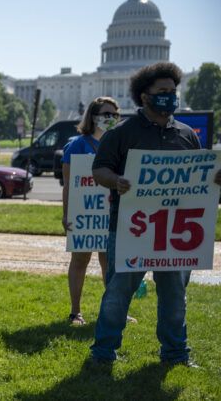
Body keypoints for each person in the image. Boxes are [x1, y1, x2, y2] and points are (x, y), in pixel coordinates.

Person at [89, 62, 221, 366]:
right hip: (129, 228)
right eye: (162, 92)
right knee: (118, 294)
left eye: (172, 92)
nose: (169, 97)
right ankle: (104, 352)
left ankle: (175, 353)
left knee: (175, 296)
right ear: (144, 96)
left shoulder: (187, 136)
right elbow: (100, 169)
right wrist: (116, 180)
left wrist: (214, 179)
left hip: (175, 232)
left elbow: (199, 177)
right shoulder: (122, 133)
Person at [61, 97, 118, 326]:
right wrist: (66, 214)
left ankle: (115, 310)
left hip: (110, 213)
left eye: (114, 114)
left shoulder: (117, 144)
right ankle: (76, 312)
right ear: (93, 117)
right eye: (106, 114)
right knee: (81, 259)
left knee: (109, 262)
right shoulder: (76, 144)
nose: (110, 119)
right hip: (84, 213)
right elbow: (68, 184)